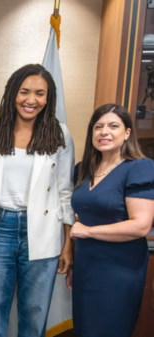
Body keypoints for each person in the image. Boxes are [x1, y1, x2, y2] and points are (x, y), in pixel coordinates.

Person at [0, 64, 75, 337]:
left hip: (42, 230)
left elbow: (66, 192)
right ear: (12, 94)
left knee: (35, 312)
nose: (31, 100)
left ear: (48, 98)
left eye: (40, 93)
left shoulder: (60, 134)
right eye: (24, 92)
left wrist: (67, 245)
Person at [68, 104, 154, 337]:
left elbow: (141, 225)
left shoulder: (139, 168)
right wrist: (75, 260)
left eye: (113, 126)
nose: (104, 132)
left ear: (127, 133)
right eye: (98, 126)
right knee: (84, 329)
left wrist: (87, 231)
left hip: (120, 268)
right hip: (86, 265)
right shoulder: (82, 170)